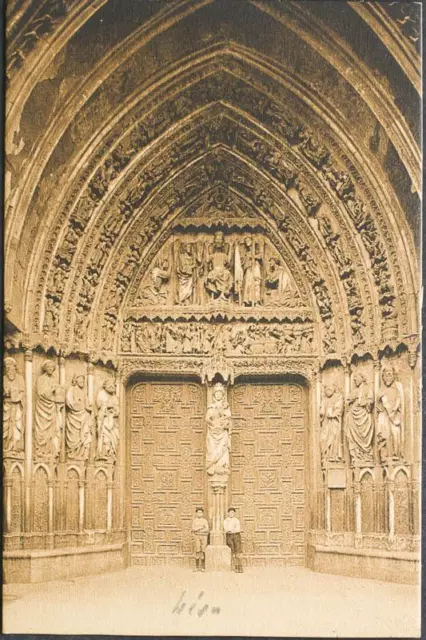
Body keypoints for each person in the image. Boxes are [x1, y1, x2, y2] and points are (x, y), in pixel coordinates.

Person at [224, 507, 243, 573]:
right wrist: (232, 528)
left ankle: (239, 567)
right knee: (232, 551)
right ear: (228, 513)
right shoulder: (226, 521)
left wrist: (231, 529)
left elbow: (238, 529)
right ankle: (234, 567)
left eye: (233, 512)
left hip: (236, 536)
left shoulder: (236, 520)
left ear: (234, 513)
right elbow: (226, 529)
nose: (231, 514)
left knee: (238, 551)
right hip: (229, 536)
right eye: (230, 512)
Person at [191, 507, 209, 572]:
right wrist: (201, 527)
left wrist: (198, 529)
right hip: (197, 537)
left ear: (203, 513)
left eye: (201, 512)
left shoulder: (205, 521)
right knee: (197, 550)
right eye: (198, 512)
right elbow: (193, 529)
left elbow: (207, 529)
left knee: (203, 550)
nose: (199, 514)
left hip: (204, 537)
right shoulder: (194, 520)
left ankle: (203, 567)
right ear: (196, 513)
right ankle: (197, 567)